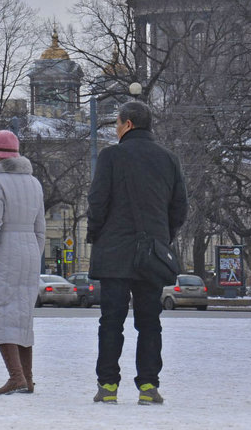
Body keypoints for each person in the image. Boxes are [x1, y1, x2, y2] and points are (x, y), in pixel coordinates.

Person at [87, 100, 187, 406]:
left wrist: (97, 236)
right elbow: (179, 207)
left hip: (114, 253)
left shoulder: (110, 156)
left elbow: (98, 201)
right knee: (149, 322)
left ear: (128, 124)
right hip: (152, 254)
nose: (115, 129)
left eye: (117, 123)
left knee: (111, 322)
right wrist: (161, 238)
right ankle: (148, 386)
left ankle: (108, 388)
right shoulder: (168, 159)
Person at [0, 130, 45, 395]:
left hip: (5, 251)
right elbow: (41, 227)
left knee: (2, 314)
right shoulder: (33, 183)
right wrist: (34, 254)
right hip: (28, 251)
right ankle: (27, 377)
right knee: (23, 317)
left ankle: (16, 377)